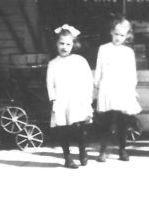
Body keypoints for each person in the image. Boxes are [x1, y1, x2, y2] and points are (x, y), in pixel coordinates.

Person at [94, 16, 142, 162]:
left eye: (122, 35)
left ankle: (122, 149)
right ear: (111, 33)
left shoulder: (128, 52)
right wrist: (97, 85)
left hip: (123, 90)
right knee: (107, 122)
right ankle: (103, 150)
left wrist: (132, 89)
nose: (118, 38)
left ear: (127, 36)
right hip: (108, 89)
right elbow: (99, 69)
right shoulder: (103, 49)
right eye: (116, 34)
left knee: (123, 122)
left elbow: (132, 73)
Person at [46, 24, 94, 169]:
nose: (64, 47)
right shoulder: (53, 64)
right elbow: (50, 83)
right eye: (61, 43)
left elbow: (88, 80)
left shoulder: (79, 61)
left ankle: (82, 150)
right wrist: (53, 100)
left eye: (68, 44)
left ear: (73, 45)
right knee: (63, 129)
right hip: (61, 101)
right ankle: (67, 157)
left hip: (77, 100)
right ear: (56, 44)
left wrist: (87, 99)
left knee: (80, 128)